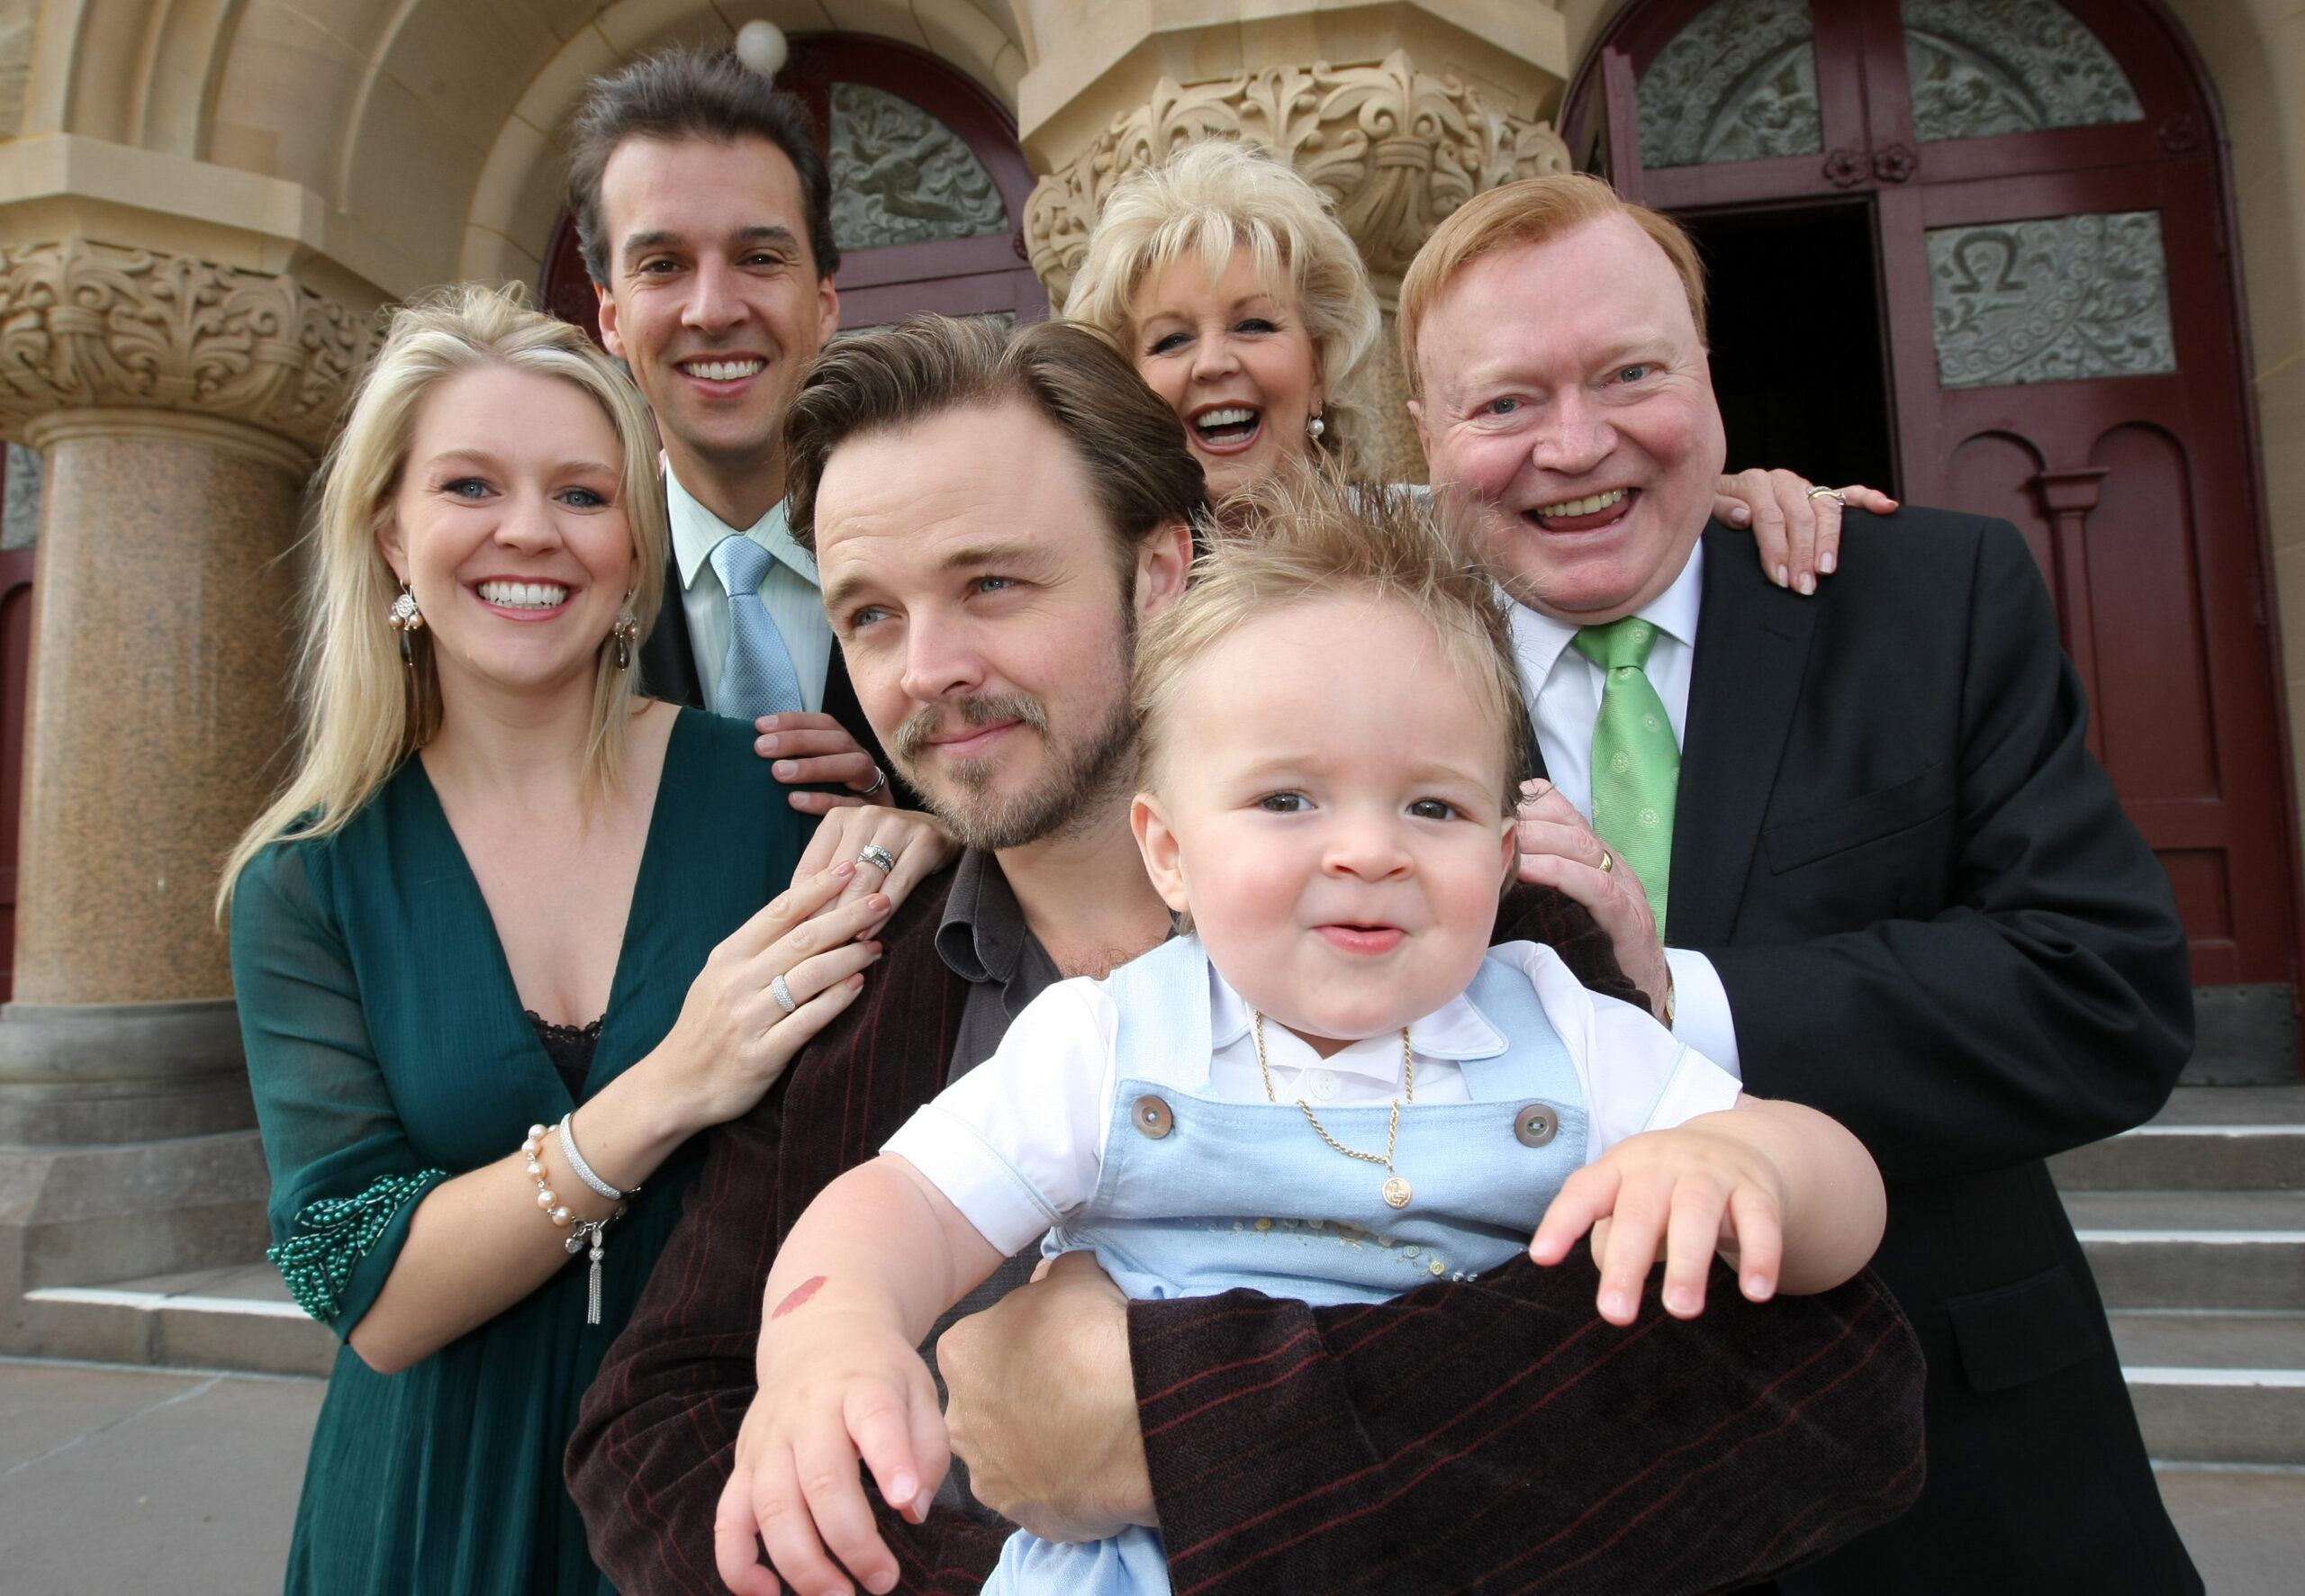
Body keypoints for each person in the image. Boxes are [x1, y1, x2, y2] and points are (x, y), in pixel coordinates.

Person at [566, 315, 1927, 1594]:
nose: (926, 666)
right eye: (868, 614)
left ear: (1159, 574)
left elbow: (1815, 1393)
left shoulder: (1479, 941)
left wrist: (1166, 1426)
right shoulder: (848, 980)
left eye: (992, 581)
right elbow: (653, 1435)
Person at [1400, 175, 2200, 1593]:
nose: (1573, 445)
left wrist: (1679, 998)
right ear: (1427, 436)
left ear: (1709, 379)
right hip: (1555, 1501)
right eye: (1505, 402)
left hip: (1960, 1484)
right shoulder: (1370, 691)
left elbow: (2102, 994)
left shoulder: (1930, 598)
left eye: (1630, 373)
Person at [221, 285, 902, 1595]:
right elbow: (368, 1291)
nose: (529, 532)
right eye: (470, 486)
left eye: (583, 495)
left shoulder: (775, 802)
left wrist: (921, 833)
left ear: (636, 549)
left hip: (732, 1497)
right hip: (430, 1516)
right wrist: (664, 1091)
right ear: (389, 534)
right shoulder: (305, 880)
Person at [1058, 137, 1887, 591]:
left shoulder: (1451, 533)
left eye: (1254, 324)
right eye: (1169, 340)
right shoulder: (1093, 586)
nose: (1212, 363)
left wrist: (1724, 504)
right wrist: (930, 828)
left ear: (1318, 365)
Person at [568, 47, 914, 817]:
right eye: (663, 265)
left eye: (759, 257)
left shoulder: (947, 540)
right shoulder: (566, 584)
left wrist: (927, 827)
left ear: (824, 302)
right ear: (611, 316)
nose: (714, 310)